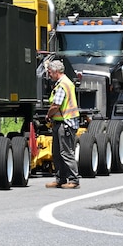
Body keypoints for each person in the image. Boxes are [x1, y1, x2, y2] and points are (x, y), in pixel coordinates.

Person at [45, 57, 80, 188]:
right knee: (57, 153)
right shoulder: (64, 83)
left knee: (66, 152)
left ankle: (74, 180)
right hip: (61, 122)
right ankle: (60, 179)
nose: (49, 74)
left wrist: (48, 115)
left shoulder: (62, 84)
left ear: (56, 71)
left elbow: (56, 105)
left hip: (65, 123)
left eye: (50, 72)